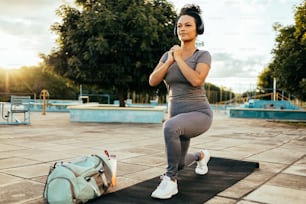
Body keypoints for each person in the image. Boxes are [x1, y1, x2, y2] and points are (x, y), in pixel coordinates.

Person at [149, 4, 213, 199]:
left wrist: (179, 58)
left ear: (197, 29)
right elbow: (152, 80)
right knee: (180, 162)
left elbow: (196, 80)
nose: (182, 29)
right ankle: (201, 156)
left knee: (169, 127)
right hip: (176, 113)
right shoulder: (167, 56)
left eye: (187, 25)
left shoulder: (202, 55)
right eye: (179, 26)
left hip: (199, 113)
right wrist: (169, 61)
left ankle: (170, 180)